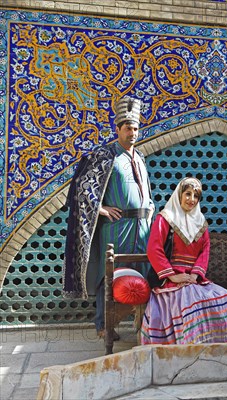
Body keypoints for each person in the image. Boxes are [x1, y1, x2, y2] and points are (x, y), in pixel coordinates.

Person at [62, 97, 154, 339]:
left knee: (142, 272)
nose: (132, 133)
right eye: (127, 128)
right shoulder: (105, 156)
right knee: (111, 273)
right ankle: (105, 326)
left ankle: (142, 324)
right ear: (118, 130)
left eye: (135, 128)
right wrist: (100, 208)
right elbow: (81, 188)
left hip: (142, 226)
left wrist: (151, 206)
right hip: (117, 226)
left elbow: (145, 189)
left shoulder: (140, 158)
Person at [141, 177, 227, 345]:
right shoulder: (165, 218)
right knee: (190, 301)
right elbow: (154, 249)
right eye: (187, 194)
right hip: (171, 281)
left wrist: (194, 274)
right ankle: (191, 346)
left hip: (194, 279)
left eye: (196, 196)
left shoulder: (200, 222)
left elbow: (205, 250)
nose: (191, 199)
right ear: (179, 194)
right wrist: (173, 276)